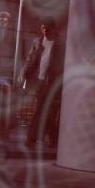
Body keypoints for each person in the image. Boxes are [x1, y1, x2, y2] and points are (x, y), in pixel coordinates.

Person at [17, 16, 66, 149]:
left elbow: (64, 65)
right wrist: (22, 73)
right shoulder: (37, 42)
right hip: (39, 81)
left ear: (53, 28)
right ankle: (55, 137)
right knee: (46, 111)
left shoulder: (60, 44)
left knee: (40, 110)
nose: (44, 30)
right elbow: (30, 59)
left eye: (47, 27)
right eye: (42, 27)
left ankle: (31, 140)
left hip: (52, 82)